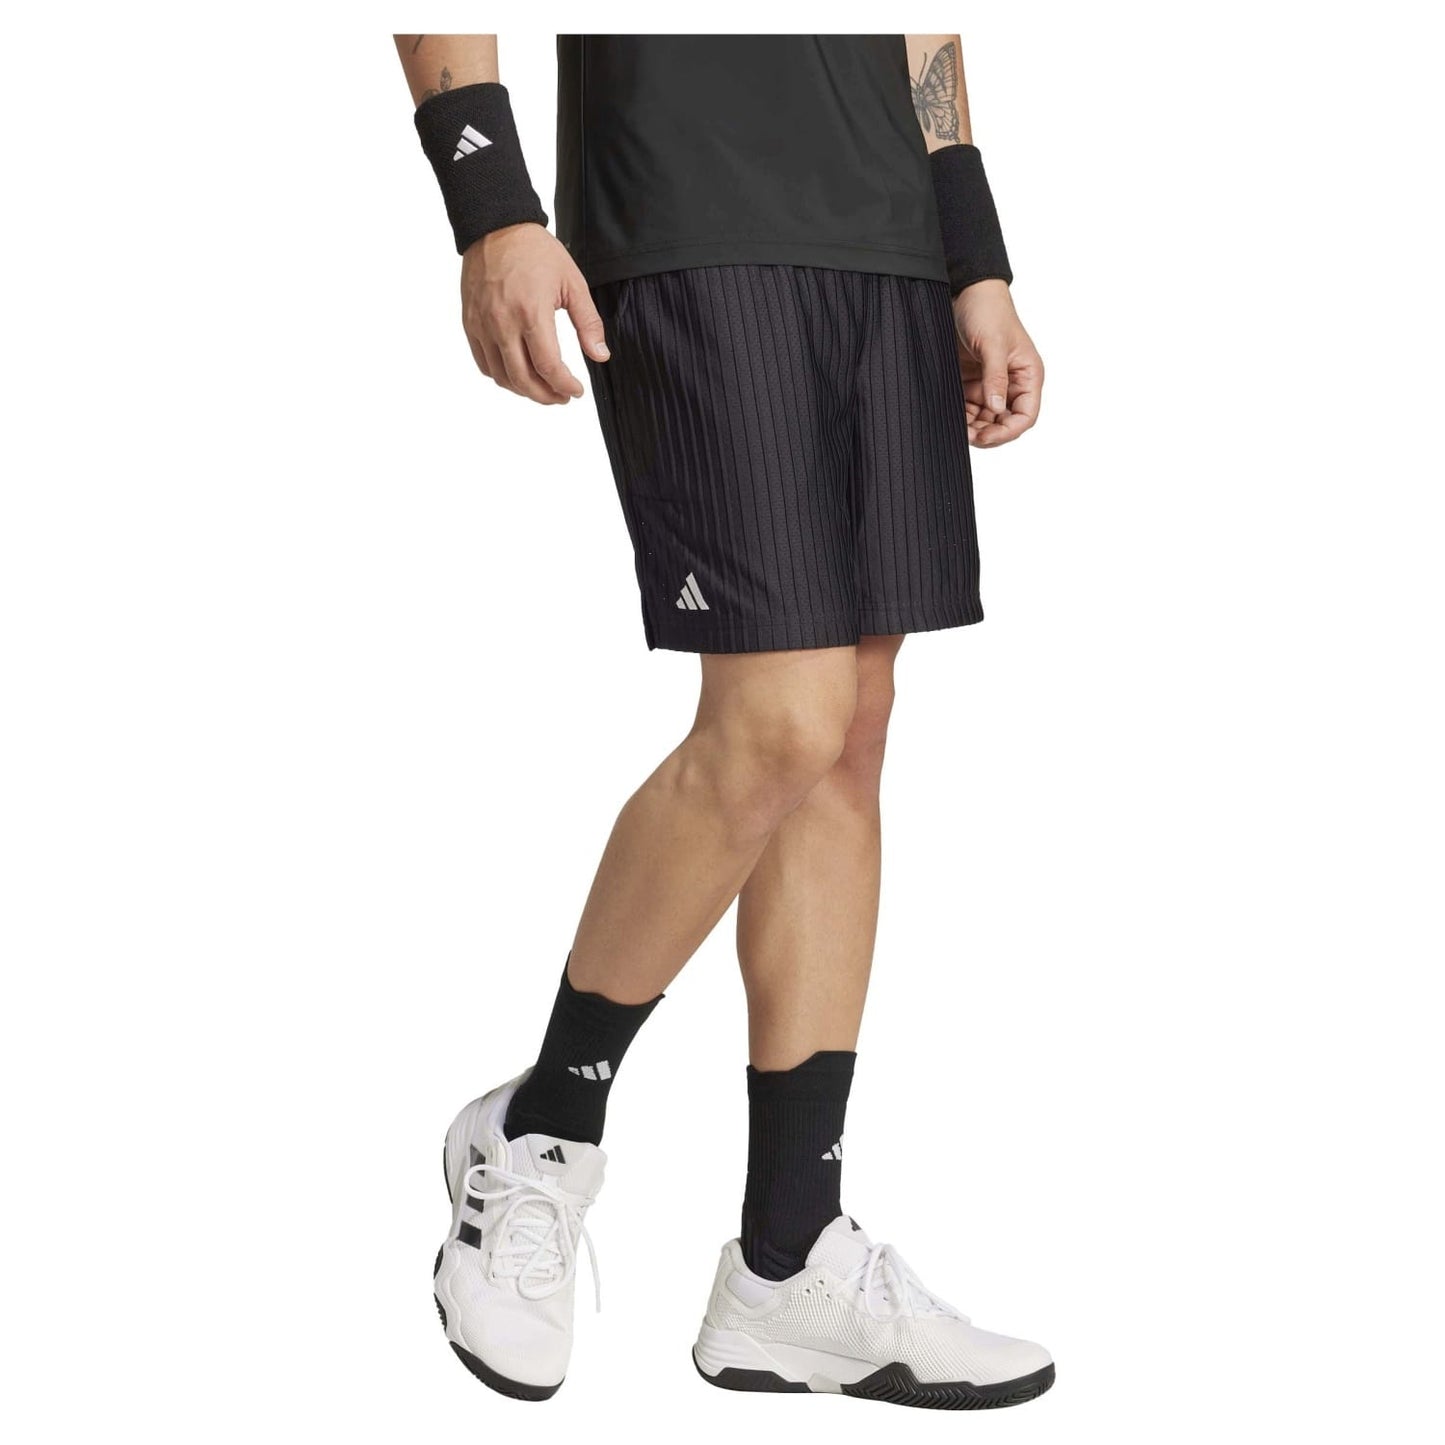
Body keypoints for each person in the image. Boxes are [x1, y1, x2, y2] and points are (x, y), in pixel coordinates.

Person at [396, 32, 1050, 1410]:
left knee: (849, 734)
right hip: (689, 212)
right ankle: (542, 1126)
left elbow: (922, 31)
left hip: (886, 237)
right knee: (780, 719)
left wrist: (976, 257)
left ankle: (787, 1261)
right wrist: (490, 201)